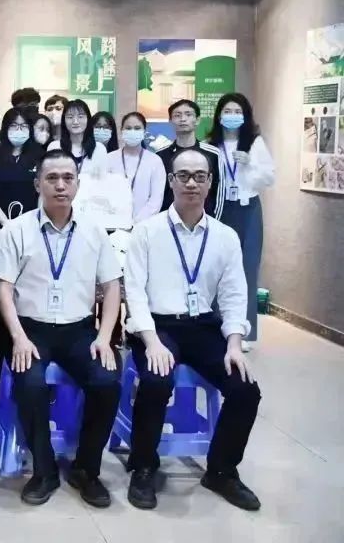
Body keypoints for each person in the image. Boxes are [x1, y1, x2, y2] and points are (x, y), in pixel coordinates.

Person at [123, 148, 261, 511]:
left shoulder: (225, 237)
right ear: (171, 181)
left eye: (200, 176)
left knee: (246, 390)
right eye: (183, 175)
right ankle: (143, 466)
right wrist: (151, 341)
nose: (191, 183)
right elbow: (134, 292)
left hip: (202, 326)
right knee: (156, 381)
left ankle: (221, 471)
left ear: (210, 183)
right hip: (157, 325)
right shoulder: (147, 231)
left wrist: (234, 343)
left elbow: (234, 294)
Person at [0, 149, 122, 507]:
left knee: (107, 382)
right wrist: (18, 337)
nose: (60, 185)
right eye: (52, 178)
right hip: (30, 330)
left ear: (78, 184)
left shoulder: (94, 230)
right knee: (31, 384)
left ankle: (86, 469)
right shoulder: (16, 230)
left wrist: (104, 337)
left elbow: (112, 286)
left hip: (79, 331)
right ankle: (44, 469)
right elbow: (3, 288)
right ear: (38, 184)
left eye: (68, 178)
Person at [208, 93, 275, 348]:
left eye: (238, 112)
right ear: (219, 115)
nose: (232, 116)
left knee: (247, 269)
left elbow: (269, 177)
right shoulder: (212, 145)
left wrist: (249, 165)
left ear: (245, 116)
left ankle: (243, 332)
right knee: (216, 269)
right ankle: (215, 328)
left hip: (248, 209)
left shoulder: (254, 143)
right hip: (221, 209)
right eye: (228, 111)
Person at [157, 99, 224, 217]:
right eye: (177, 115)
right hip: (168, 220)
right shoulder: (160, 155)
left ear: (197, 120)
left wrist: (214, 222)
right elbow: (158, 194)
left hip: (204, 220)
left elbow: (219, 193)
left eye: (188, 114)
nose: (183, 119)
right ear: (170, 121)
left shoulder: (213, 154)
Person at [0, 108, 44, 229]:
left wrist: (37, 220)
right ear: (5, 128)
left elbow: (43, 191)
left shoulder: (39, 155)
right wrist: (5, 223)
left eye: (23, 126)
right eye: (14, 126)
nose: (18, 130)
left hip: (31, 224)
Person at [107, 112, 165, 224]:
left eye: (137, 128)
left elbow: (156, 200)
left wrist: (136, 223)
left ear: (144, 131)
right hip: (112, 223)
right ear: (121, 130)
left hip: (144, 224)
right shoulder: (109, 159)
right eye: (128, 128)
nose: (132, 131)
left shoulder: (155, 161)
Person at [55, 99, 106, 176]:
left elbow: (103, 179)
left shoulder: (99, 149)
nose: (75, 121)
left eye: (80, 116)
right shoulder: (55, 147)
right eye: (70, 117)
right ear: (64, 120)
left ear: (88, 119)